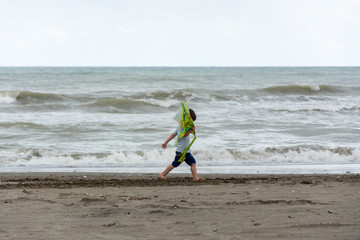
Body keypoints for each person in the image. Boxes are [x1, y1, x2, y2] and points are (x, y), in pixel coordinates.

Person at [160, 109, 204, 181]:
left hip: (187, 151)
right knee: (175, 164)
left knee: (193, 163)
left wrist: (190, 129)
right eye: (190, 120)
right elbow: (182, 135)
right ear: (186, 118)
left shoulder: (186, 127)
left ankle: (195, 177)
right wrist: (165, 142)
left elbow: (173, 135)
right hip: (181, 151)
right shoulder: (181, 128)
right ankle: (163, 174)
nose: (191, 122)